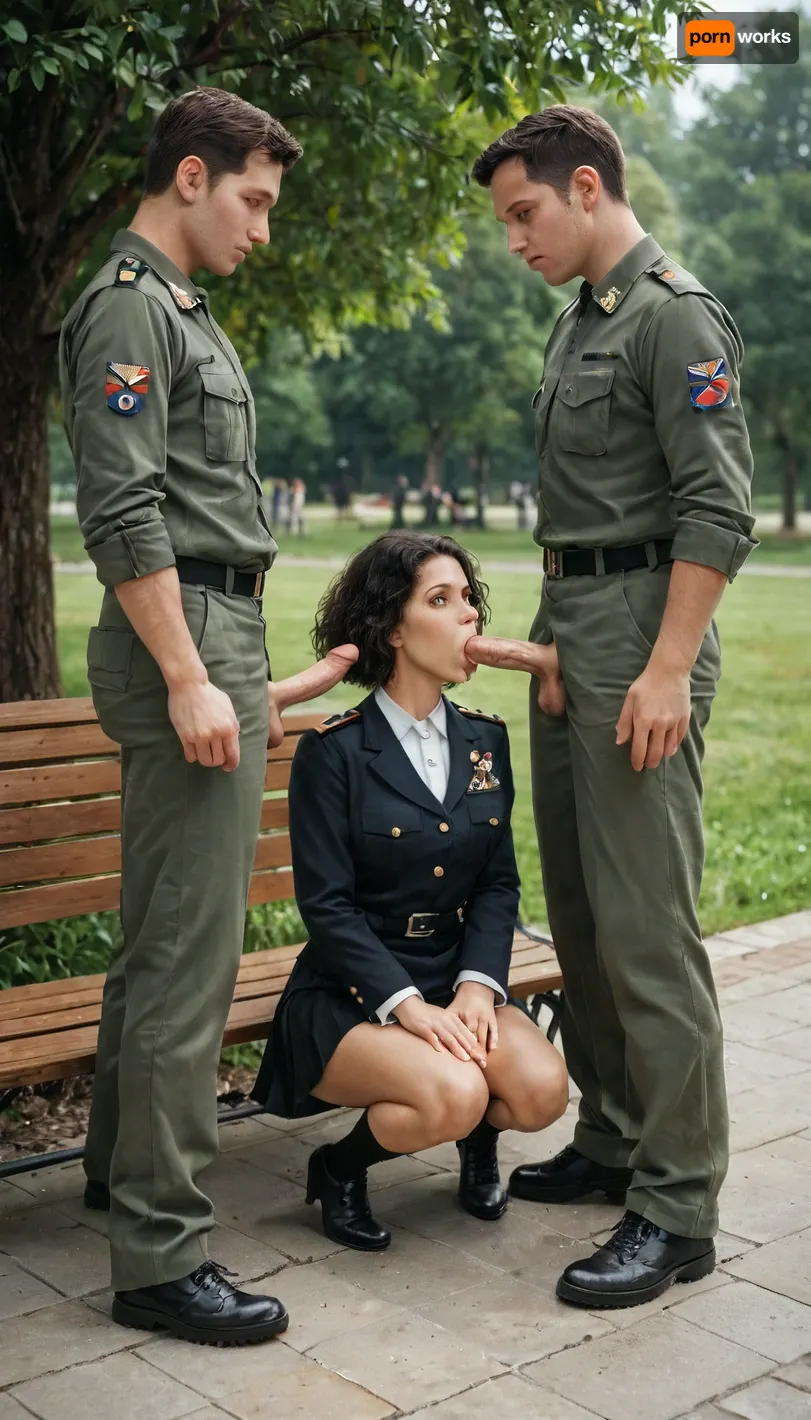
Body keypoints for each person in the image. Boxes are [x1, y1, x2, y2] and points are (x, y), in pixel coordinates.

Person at [59, 87, 358, 1347]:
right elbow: (125, 510)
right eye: (254, 199)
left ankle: (118, 1180)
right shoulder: (132, 306)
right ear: (191, 175)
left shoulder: (172, 309)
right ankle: (161, 1253)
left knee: (159, 943)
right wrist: (190, 672)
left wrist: (232, 671)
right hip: (184, 633)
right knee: (191, 962)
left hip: (212, 634)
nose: (263, 228)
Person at [469, 105, 756, 1308]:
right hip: (566, 629)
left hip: (642, 632)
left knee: (647, 931)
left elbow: (716, 511)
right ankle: (614, 1137)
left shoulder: (673, 314)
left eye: (524, 214)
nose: (516, 240)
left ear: (586, 188)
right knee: (582, 919)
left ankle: (677, 1204)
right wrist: (546, 647)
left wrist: (663, 665)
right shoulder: (575, 323)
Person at [251, 531, 568, 1251]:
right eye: (441, 600)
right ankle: (337, 1168)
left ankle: (475, 1143)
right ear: (391, 628)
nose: (469, 619)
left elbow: (495, 883)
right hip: (353, 990)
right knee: (453, 1093)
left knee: (541, 1091)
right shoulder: (333, 751)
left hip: (454, 973)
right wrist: (407, 1009)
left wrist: (477, 989)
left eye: (469, 600)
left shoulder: (485, 739)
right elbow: (326, 908)